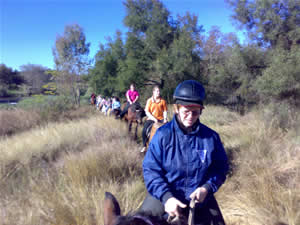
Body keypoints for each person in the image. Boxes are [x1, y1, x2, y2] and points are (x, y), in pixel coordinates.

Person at [140, 80, 229, 225]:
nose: (190, 116)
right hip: (165, 195)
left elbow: (220, 168)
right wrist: (166, 197)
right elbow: (150, 170)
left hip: (200, 199)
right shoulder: (162, 135)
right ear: (176, 108)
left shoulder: (211, 138)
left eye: (195, 112)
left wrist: (206, 188)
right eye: (186, 111)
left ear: (201, 110)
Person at [140, 85, 168, 153]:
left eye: (159, 91)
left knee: (170, 130)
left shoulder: (163, 101)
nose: (158, 93)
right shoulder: (149, 100)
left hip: (161, 119)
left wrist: (165, 118)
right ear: (153, 92)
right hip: (151, 119)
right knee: (144, 131)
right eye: (157, 91)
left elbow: (165, 111)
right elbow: (147, 111)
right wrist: (154, 119)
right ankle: (144, 146)